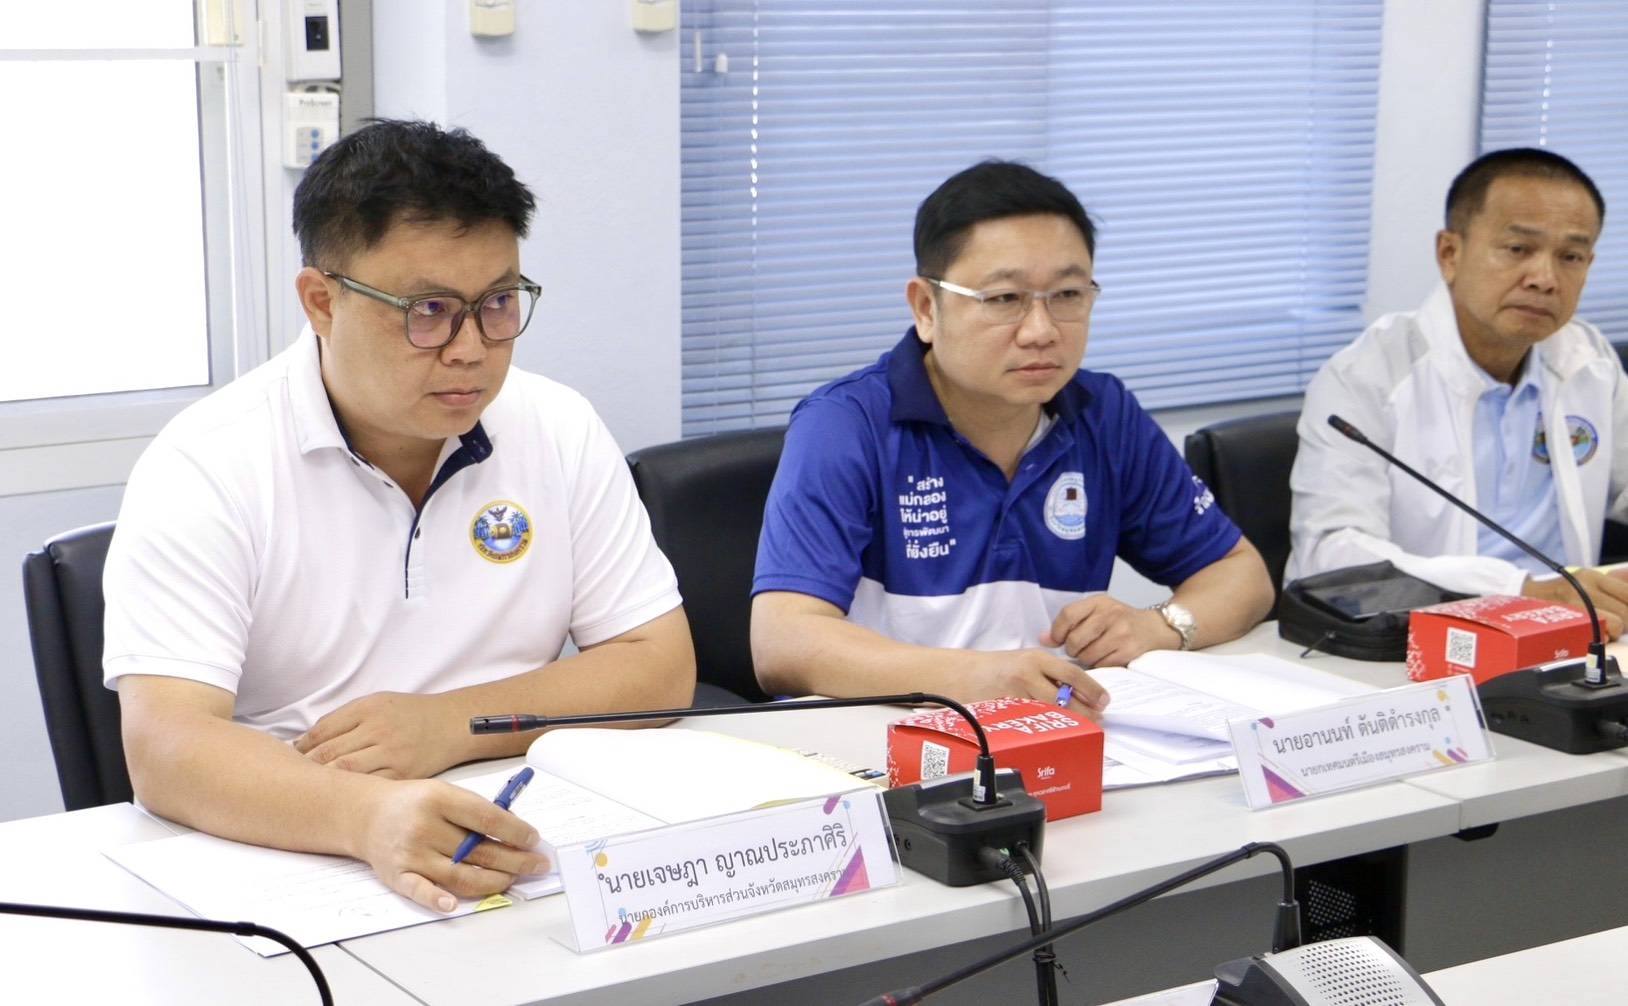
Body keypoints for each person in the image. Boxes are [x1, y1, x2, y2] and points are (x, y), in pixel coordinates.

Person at [103, 120, 696, 914]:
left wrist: (452, 724)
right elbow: (167, 747)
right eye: (428, 310)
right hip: (300, 842)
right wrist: (368, 817)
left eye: (498, 303)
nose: (470, 348)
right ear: (322, 302)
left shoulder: (556, 425)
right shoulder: (207, 463)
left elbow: (658, 664)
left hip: (517, 826)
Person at [749, 160, 1275, 713]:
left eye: (1067, 294)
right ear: (927, 307)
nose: (1041, 331)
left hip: (1056, 729)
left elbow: (1242, 575)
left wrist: (1161, 625)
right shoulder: (846, 424)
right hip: (877, 733)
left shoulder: (1103, 413)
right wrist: (977, 677)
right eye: (1004, 299)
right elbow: (783, 642)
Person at [1287, 148, 1628, 634]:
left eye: (1570, 257)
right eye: (1518, 249)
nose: (1545, 279)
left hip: (1576, 634)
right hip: (1419, 640)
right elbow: (1330, 555)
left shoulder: (1588, 360)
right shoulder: (1366, 376)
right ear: (1450, 253)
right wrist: (1517, 590)